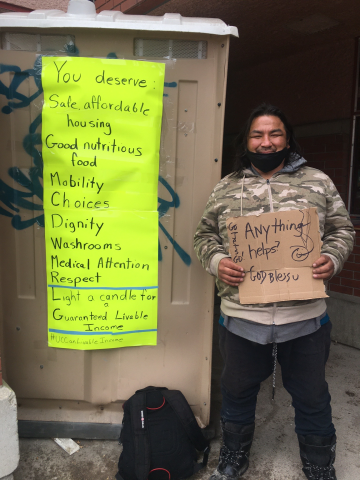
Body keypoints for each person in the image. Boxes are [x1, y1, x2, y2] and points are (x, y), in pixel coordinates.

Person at [193, 104, 355, 480]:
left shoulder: (318, 181)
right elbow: (204, 236)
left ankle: (318, 465)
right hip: (242, 318)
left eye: (275, 134)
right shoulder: (226, 187)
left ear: (287, 137)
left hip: (306, 318)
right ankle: (233, 456)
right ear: (246, 140)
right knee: (237, 392)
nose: (266, 142)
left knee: (312, 396)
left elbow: (342, 230)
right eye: (257, 135)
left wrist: (332, 258)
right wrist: (218, 262)